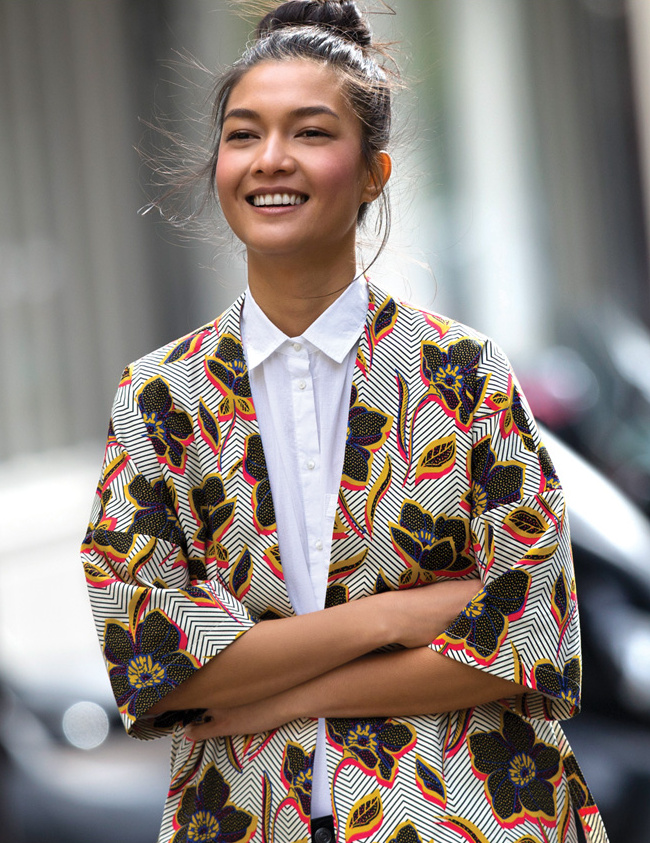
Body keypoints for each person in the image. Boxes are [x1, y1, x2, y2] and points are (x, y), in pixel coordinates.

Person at [81, 2, 609, 842]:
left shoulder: (463, 372)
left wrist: (278, 686)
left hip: (467, 817)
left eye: (311, 132)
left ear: (372, 172)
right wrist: (398, 618)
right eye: (244, 134)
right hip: (244, 817)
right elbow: (154, 659)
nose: (271, 160)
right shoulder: (160, 397)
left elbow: (529, 636)